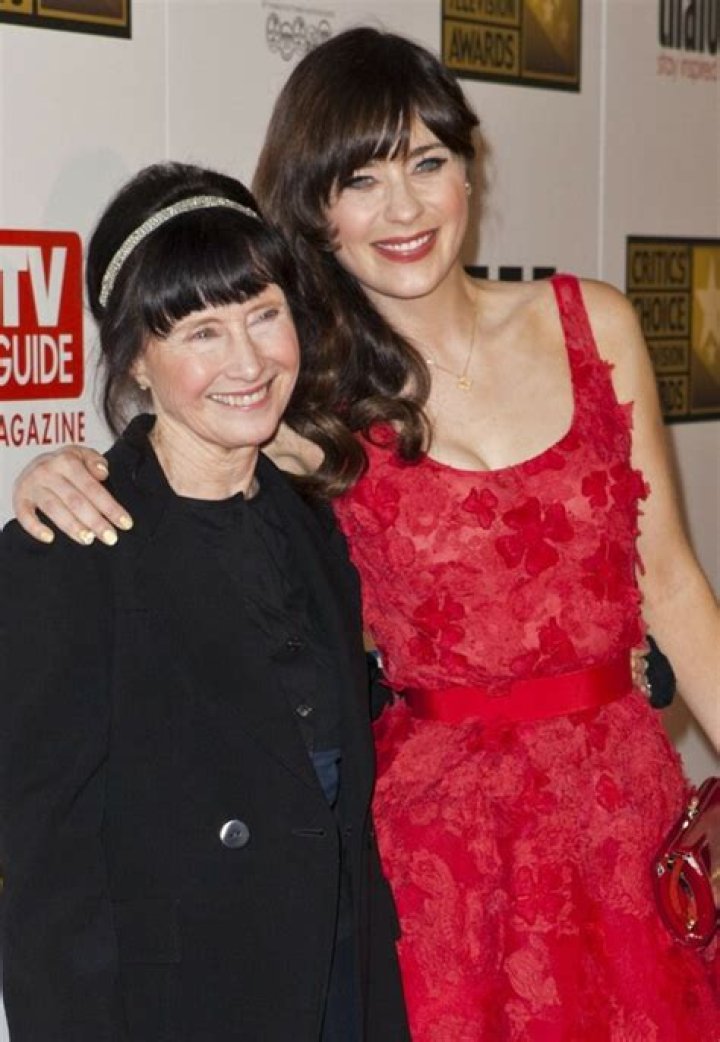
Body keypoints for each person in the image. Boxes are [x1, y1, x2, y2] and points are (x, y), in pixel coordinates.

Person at [9, 26, 719, 1041]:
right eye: (361, 180)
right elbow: (183, 471)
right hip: (446, 862)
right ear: (315, 210)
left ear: (469, 170)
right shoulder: (307, 410)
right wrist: (59, 471)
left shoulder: (594, 325)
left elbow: (674, 585)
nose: (404, 208)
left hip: (622, 819)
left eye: (427, 162)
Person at [0, 161, 410, 1042]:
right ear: (135, 363)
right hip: (185, 1004)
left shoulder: (312, 519)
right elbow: (46, 876)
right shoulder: (70, 547)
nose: (250, 362)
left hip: (338, 980)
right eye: (202, 332)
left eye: (264, 314)